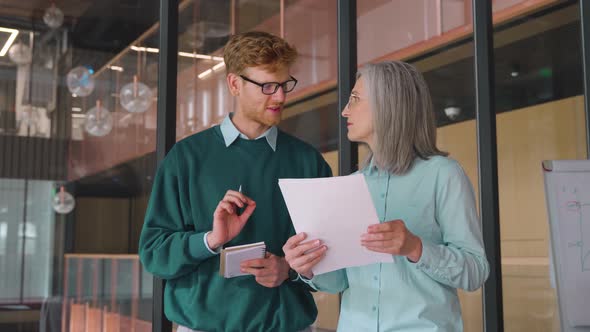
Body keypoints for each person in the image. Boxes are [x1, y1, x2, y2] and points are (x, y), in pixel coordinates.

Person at [138, 31, 332, 332]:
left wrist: (289, 270)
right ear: (234, 83)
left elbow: (329, 256)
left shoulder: (309, 162)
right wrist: (210, 240)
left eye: (284, 85)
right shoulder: (185, 158)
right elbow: (154, 253)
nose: (280, 96)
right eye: (267, 86)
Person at [283, 60, 490, 331]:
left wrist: (416, 248)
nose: (345, 111)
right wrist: (307, 267)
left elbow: (475, 271)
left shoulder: (443, 174)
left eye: (355, 99)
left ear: (388, 105)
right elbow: (340, 283)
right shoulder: (353, 184)